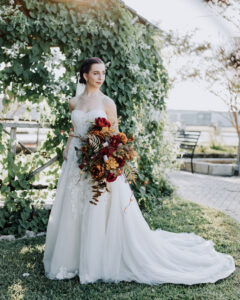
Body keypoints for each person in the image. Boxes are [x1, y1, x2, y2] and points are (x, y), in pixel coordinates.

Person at [43, 57, 235, 285]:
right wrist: (67, 148)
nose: (101, 77)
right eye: (96, 73)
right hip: (75, 160)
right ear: (85, 75)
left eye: (103, 73)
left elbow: (114, 134)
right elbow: (75, 130)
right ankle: (70, 257)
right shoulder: (73, 102)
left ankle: (96, 258)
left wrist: (108, 158)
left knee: (97, 206)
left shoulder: (107, 103)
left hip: (99, 159)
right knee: (73, 205)